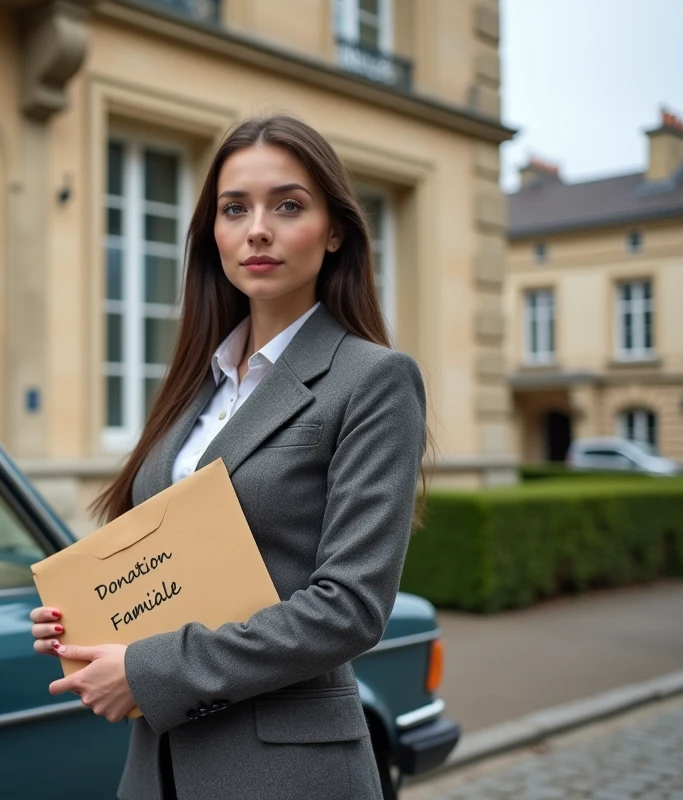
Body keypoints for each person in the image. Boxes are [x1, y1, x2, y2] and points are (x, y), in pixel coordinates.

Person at [30, 114, 428, 800]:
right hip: (157, 768)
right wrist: (88, 615)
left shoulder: (374, 379)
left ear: (335, 231)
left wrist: (148, 672)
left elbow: (349, 608)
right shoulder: (199, 380)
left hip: (284, 771)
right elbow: (167, 561)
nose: (258, 230)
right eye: (235, 208)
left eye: (288, 206)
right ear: (212, 232)